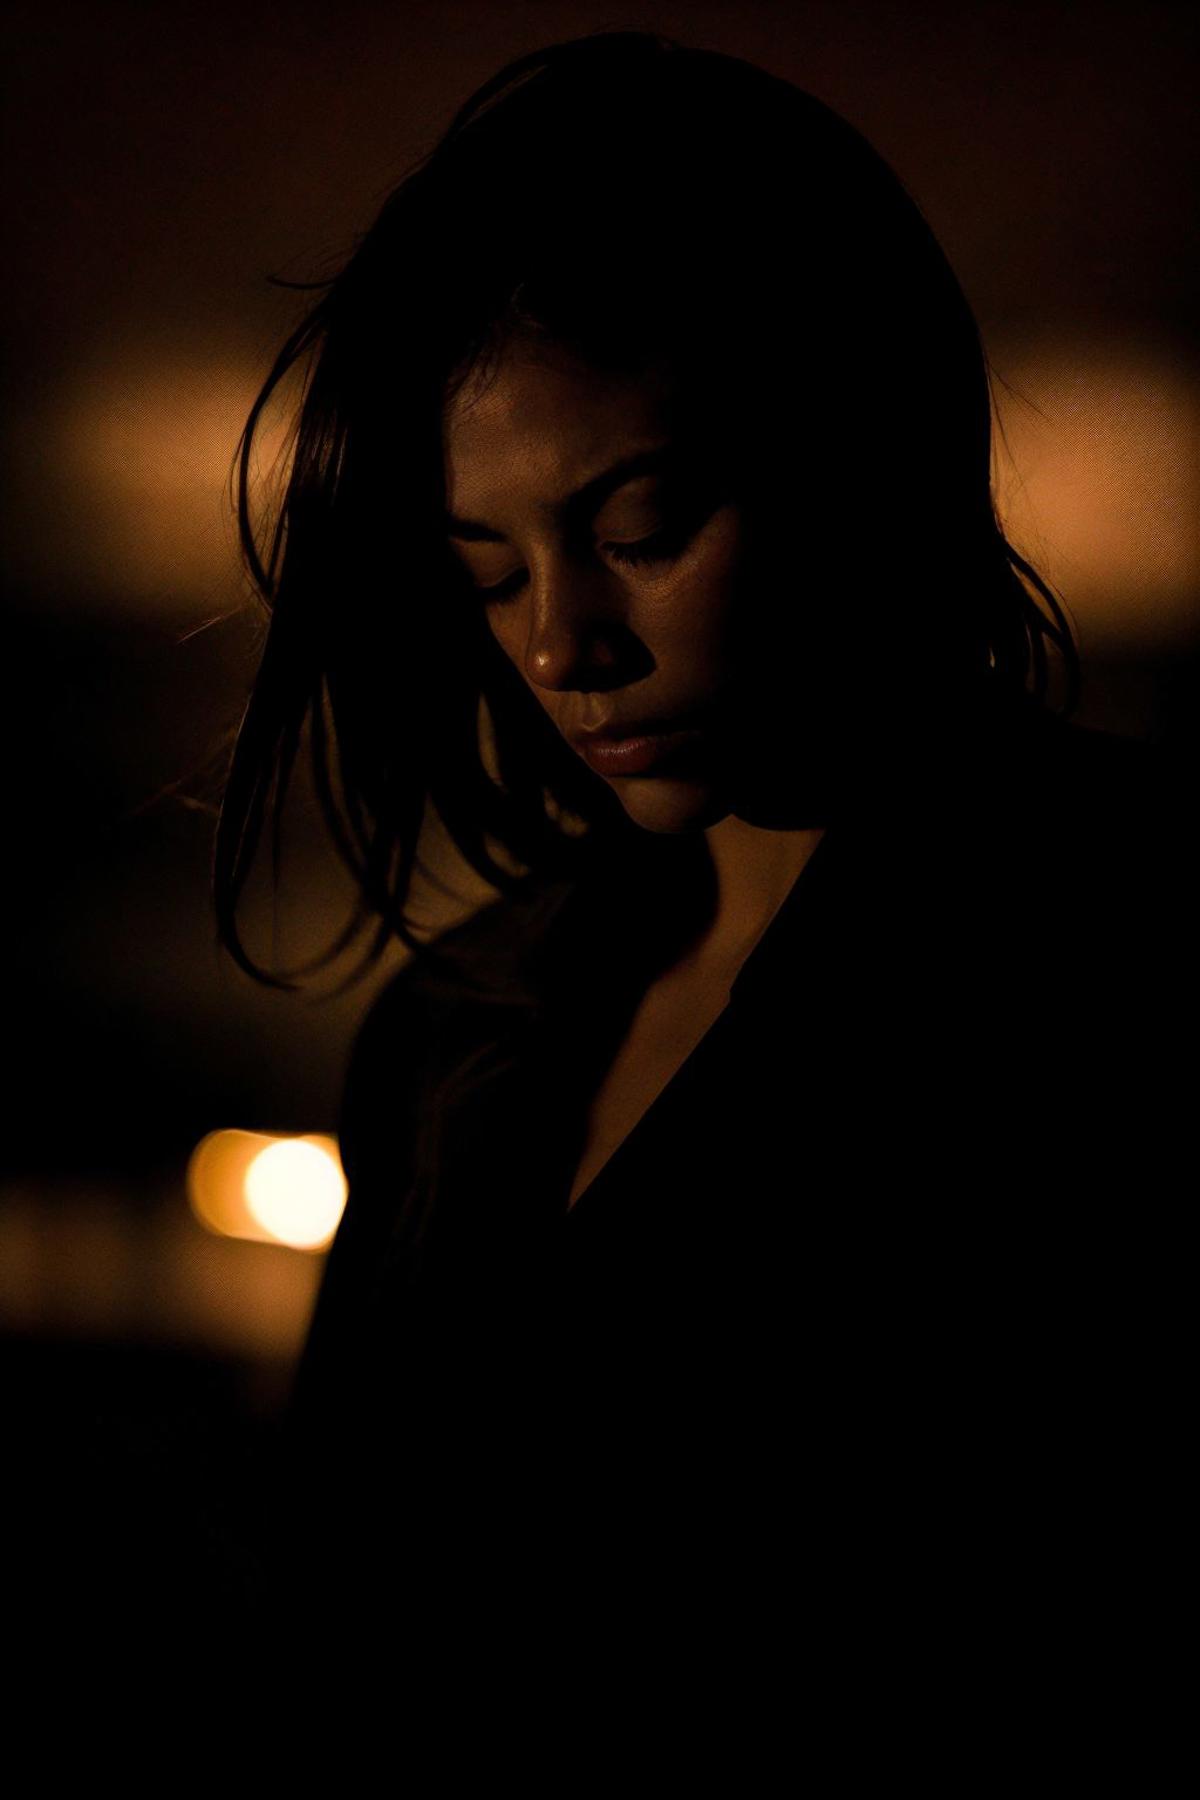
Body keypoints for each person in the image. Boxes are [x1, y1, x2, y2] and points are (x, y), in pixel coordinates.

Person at [215, 31, 1193, 1679]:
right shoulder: (460, 1028)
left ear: (860, 451)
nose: (564, 644)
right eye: (489, 573)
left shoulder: (1116, 945)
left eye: (640, 530)